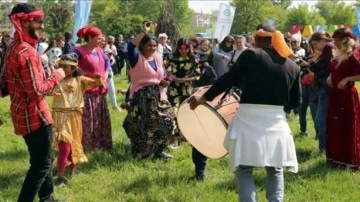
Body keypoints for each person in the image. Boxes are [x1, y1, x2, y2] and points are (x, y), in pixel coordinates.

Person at [189, 23, 300, 201]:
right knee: (275, 168)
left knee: (244, 168)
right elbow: (296, 102)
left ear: (256, 39)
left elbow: (229, 78)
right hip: (276, 121)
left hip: (249, 117)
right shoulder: (293, 66)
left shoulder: (251, 55)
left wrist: (206, 97)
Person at [5, 3, 65, 202]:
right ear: (23, 22)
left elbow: (6, 84)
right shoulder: (27, 52)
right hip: (36, 118)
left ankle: (46, 198)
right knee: (41, 166)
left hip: (22, 116)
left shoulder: (13, 47)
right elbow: (37, 90)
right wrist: (58, 75)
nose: (42, 24)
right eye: (38, 20)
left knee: (43, 161)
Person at [52, 53, 104, 186]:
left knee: (73, 144)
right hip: (60, 116)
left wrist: (98, 78)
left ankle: (71, 169)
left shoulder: (80, 80)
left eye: (67, 67)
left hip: (75, 117)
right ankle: (60, 177)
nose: (63, 69)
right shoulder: (56, 79)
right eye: (62, 66)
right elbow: (44, 89)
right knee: (64, 146)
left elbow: (96, 84)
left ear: (74, 68)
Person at [126, 21, 175, 159]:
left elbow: (165, 74)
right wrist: (144, 32)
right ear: (142, 45)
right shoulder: (136, 58)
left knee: (167, 121)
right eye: (149, 45)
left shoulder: (158, 58)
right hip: (142, 97)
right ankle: (142, 153)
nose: (152, 48)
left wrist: (166, 81)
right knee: (143, 125)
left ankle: (159, 150)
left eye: (154, 45)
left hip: (159, 95)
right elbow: (131, 45)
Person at [326, 28, 360, 169]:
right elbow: (334, 70)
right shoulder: (337, 54)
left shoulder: (353, 56)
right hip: (335, 95)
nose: (335, 43)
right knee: (335, 126)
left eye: (337, 40)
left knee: (348, 126)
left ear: (345, 40)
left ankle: (350, 160)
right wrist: (329, 77)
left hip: (347, 96)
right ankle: (336, 159)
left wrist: (347, 79)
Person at [74, 26, 112, 152]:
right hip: (87, 93)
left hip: (100, 92)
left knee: (100, 119)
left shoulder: (100, 51)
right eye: (98, 38)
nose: (101, 40)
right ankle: (88, 147)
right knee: (88, 120)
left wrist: (104, 77)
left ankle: (102, 145)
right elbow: (71, 68)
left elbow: (107, 64)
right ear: (89, 38)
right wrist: (88, 77)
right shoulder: (78, 51)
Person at [166, 38, 200, 147]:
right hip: (173, 90)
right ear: (178, 48)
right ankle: (174, 138)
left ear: (189, 48)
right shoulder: (171, 58)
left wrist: (184, 80)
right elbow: (164, 70)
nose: (183, 51)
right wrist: (171, 77)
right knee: (174, 112)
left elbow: (198, 76)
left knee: (185, 113)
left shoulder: (194, 59)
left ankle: (185, 135)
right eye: (181, 48)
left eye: (185, 48)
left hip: (186, 90)